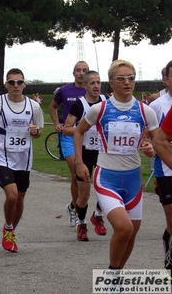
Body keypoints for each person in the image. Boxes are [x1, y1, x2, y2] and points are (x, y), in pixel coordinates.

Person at [74, 60, 158, 270]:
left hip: (132, 180)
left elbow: (158, 142)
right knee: (123, 228)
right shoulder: (100, 109)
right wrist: (80, 161)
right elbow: (78, 131)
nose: (127, 82)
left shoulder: (145, 111)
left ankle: (116, 276)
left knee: (131, 233)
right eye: (121, 79)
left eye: (131, 78)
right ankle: (112, 273)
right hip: (107, 178)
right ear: (111, 83)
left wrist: (151, 148)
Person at [0, 68, 43, 253]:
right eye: (12, 82)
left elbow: (39, 132)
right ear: (7, 84)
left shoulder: (34, 107)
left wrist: (36, 131)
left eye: (19, 82)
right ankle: (9, 228)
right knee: (12, 195)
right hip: (2, 156)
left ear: (24, 84)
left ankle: (10, 230)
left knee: (20, 198)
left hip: (24, 157)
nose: (15, 86)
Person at [63, 71, 107, 241]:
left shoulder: (106, 102)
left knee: (106, 189)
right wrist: (83, 129)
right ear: (85, 86)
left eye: (98, 82)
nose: (96, 86)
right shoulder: (79, 105)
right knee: (85, 195)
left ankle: (97, 215)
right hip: (84, 152)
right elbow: (67, 128)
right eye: (92, 83)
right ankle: (81, 223)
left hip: (102, 152)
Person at [49, 61, 89, 227]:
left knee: (88, 178)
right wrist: (57, 123)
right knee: (76, 174)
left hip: (89, 138)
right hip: (69, 136)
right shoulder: (65, 90)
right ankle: (77, 214)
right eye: (78, 70)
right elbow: (52, 107)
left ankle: (75, 205)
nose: (81, 73)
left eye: (84, 70)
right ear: (73, 73)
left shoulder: (93, 90)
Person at [149, 60, 172, 273]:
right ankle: (169, 258)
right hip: (165, 170)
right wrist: (149, 145)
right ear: (166, 79)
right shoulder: (157, 105)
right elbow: (149, 134)